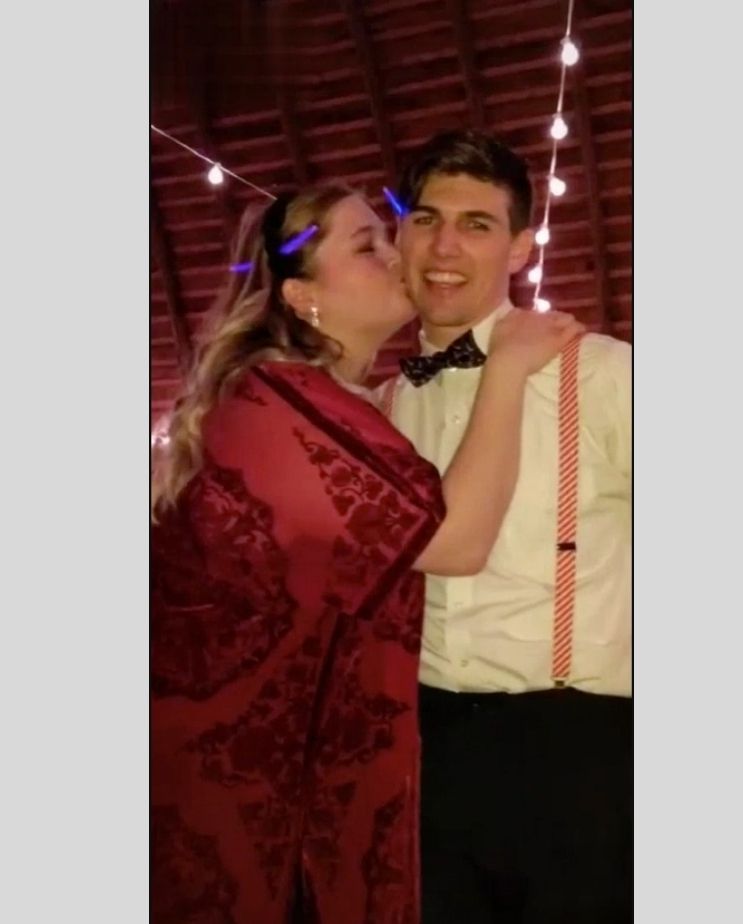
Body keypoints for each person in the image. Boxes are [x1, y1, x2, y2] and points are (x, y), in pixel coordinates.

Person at [149, 182, 584, 924]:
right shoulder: (273, 402)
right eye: (365, 245)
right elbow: (455, 542)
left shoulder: (328, 403)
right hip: (239, 798)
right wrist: (507, 370)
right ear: (302, 297)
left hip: (284, 784)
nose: (396, 255)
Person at [381, 130, 633, 923]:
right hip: (427, 748)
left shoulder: (602, 371)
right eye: (426, 219)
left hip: (577, 749)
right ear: (400, 236)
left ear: (521, 247)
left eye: (477, 224)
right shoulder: (382, 407)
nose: (444, 246)